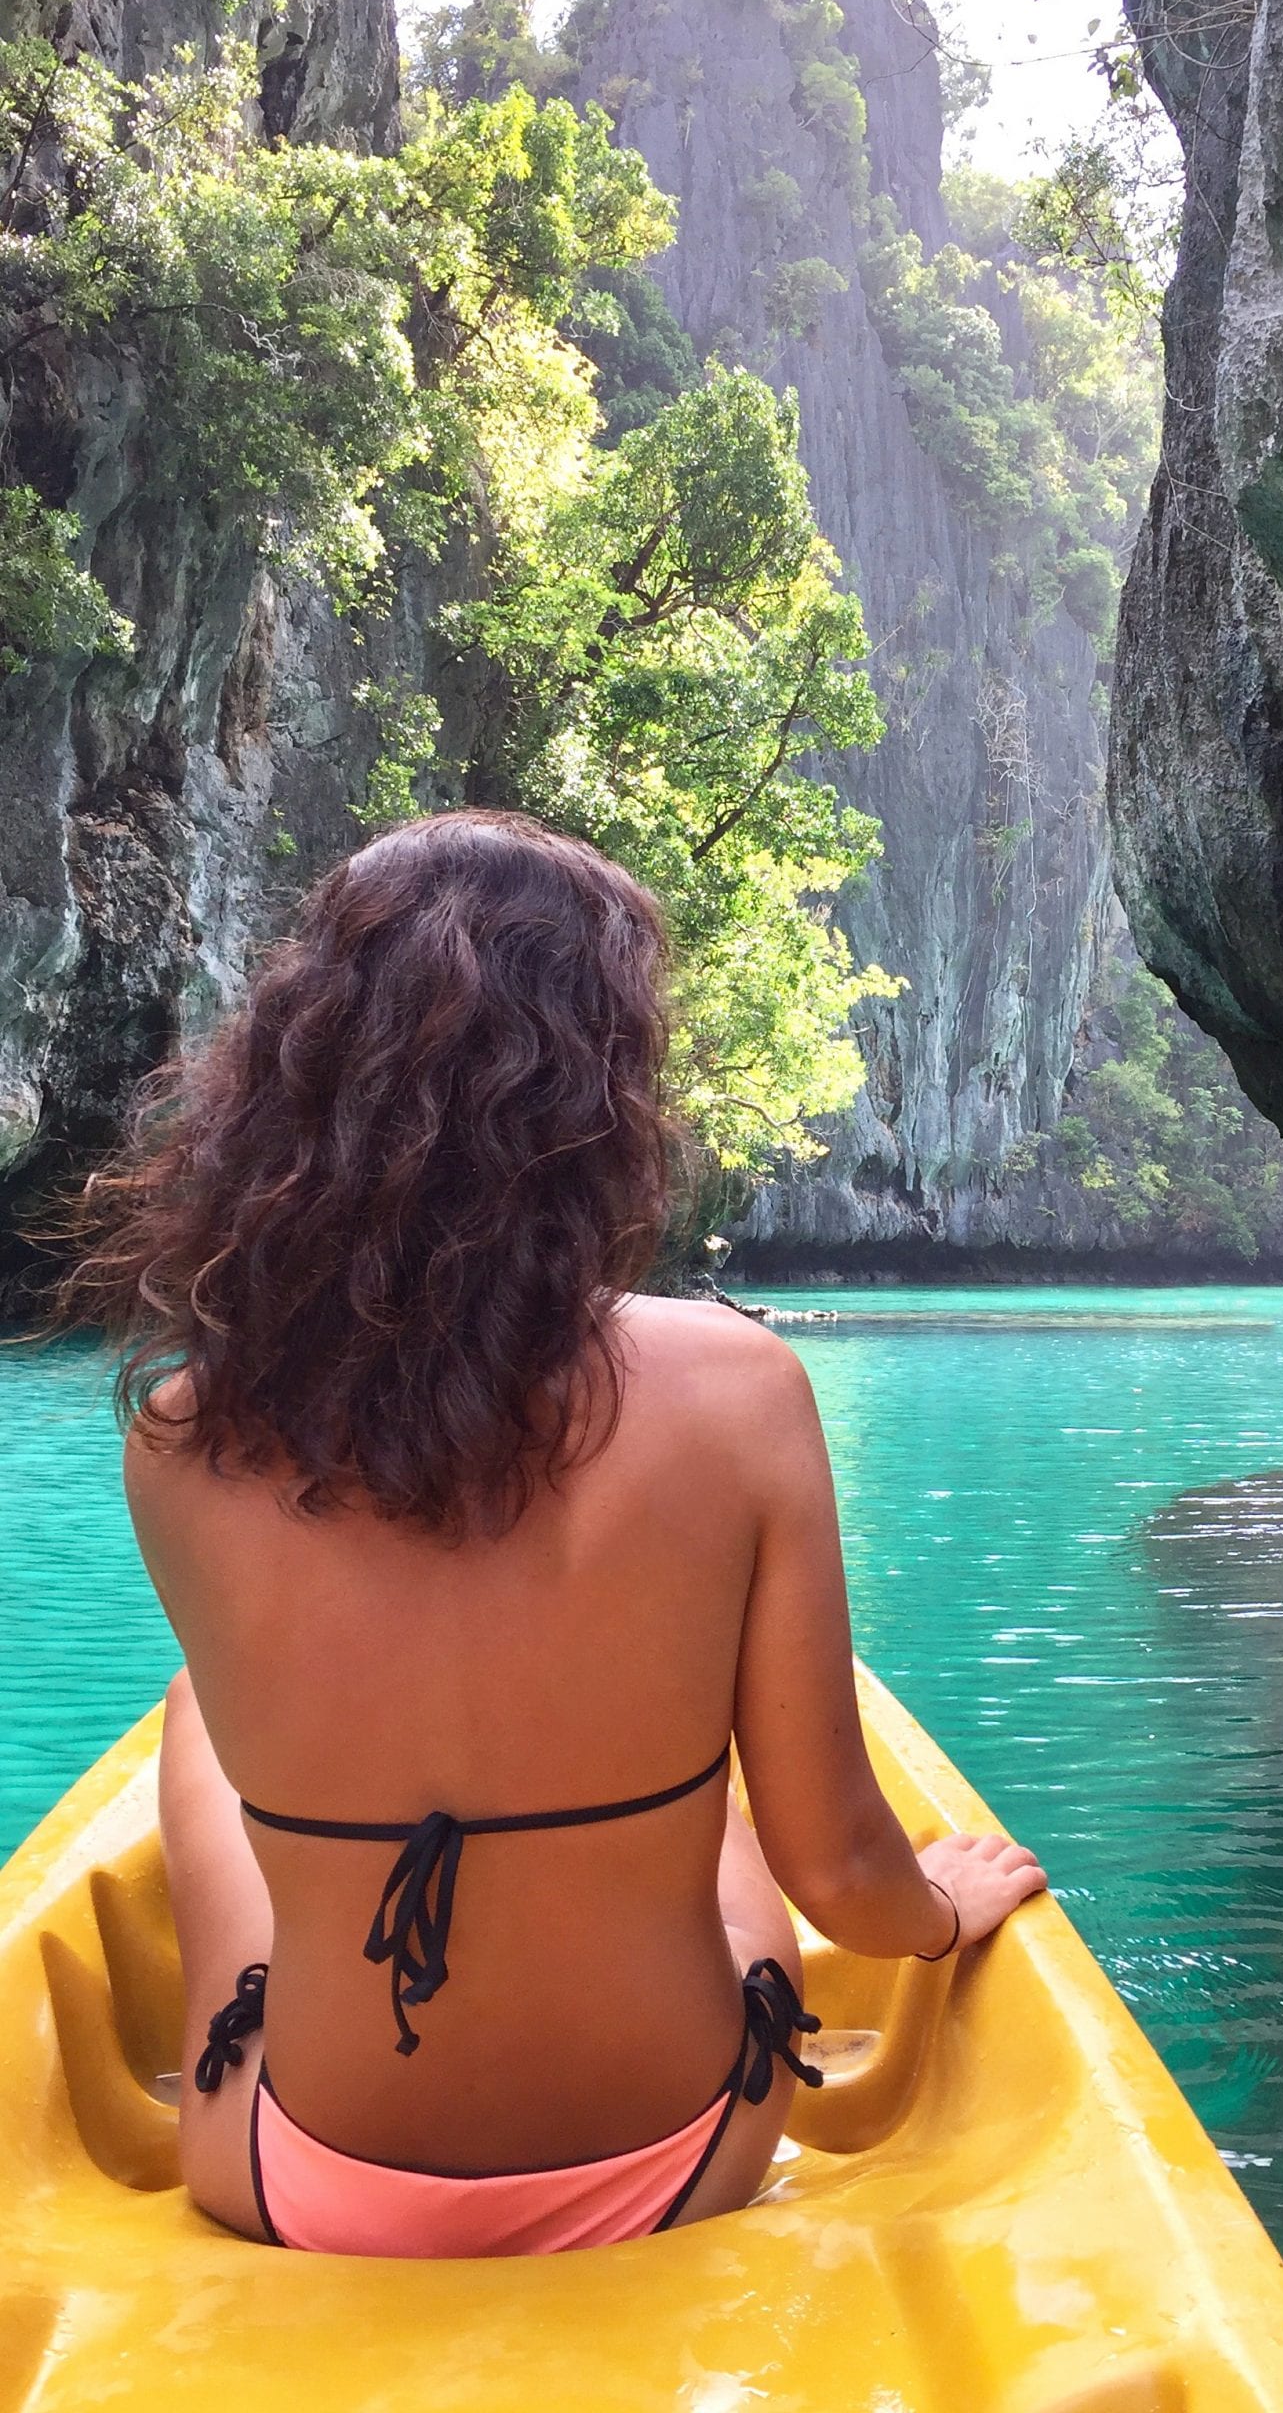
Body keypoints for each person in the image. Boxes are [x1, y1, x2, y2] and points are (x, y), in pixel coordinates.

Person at [62, 811, 1047, 2257]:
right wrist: (937, 1917)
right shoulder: (735, 1387)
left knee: (202, 1715)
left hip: (299, 2180)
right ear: (600, 1096)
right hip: (680, 2151)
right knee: (695, 1772)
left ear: (295, 1078)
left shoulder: (187, 1433)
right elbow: (834, 1871)